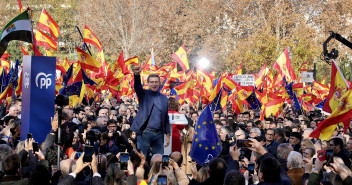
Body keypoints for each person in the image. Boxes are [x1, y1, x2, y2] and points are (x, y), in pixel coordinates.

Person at [131, 66, 170, 156]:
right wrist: (137, 75)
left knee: (159, 160)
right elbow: (137, 86)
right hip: (145, 133)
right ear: (148, 84)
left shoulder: (164, 98)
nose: (154, 84)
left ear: (160, 84)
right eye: (152, 82)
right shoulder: (143, 94)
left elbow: (166, 118)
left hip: (159, 135)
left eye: (156, 82)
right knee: (142, 159)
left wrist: (168, 135)